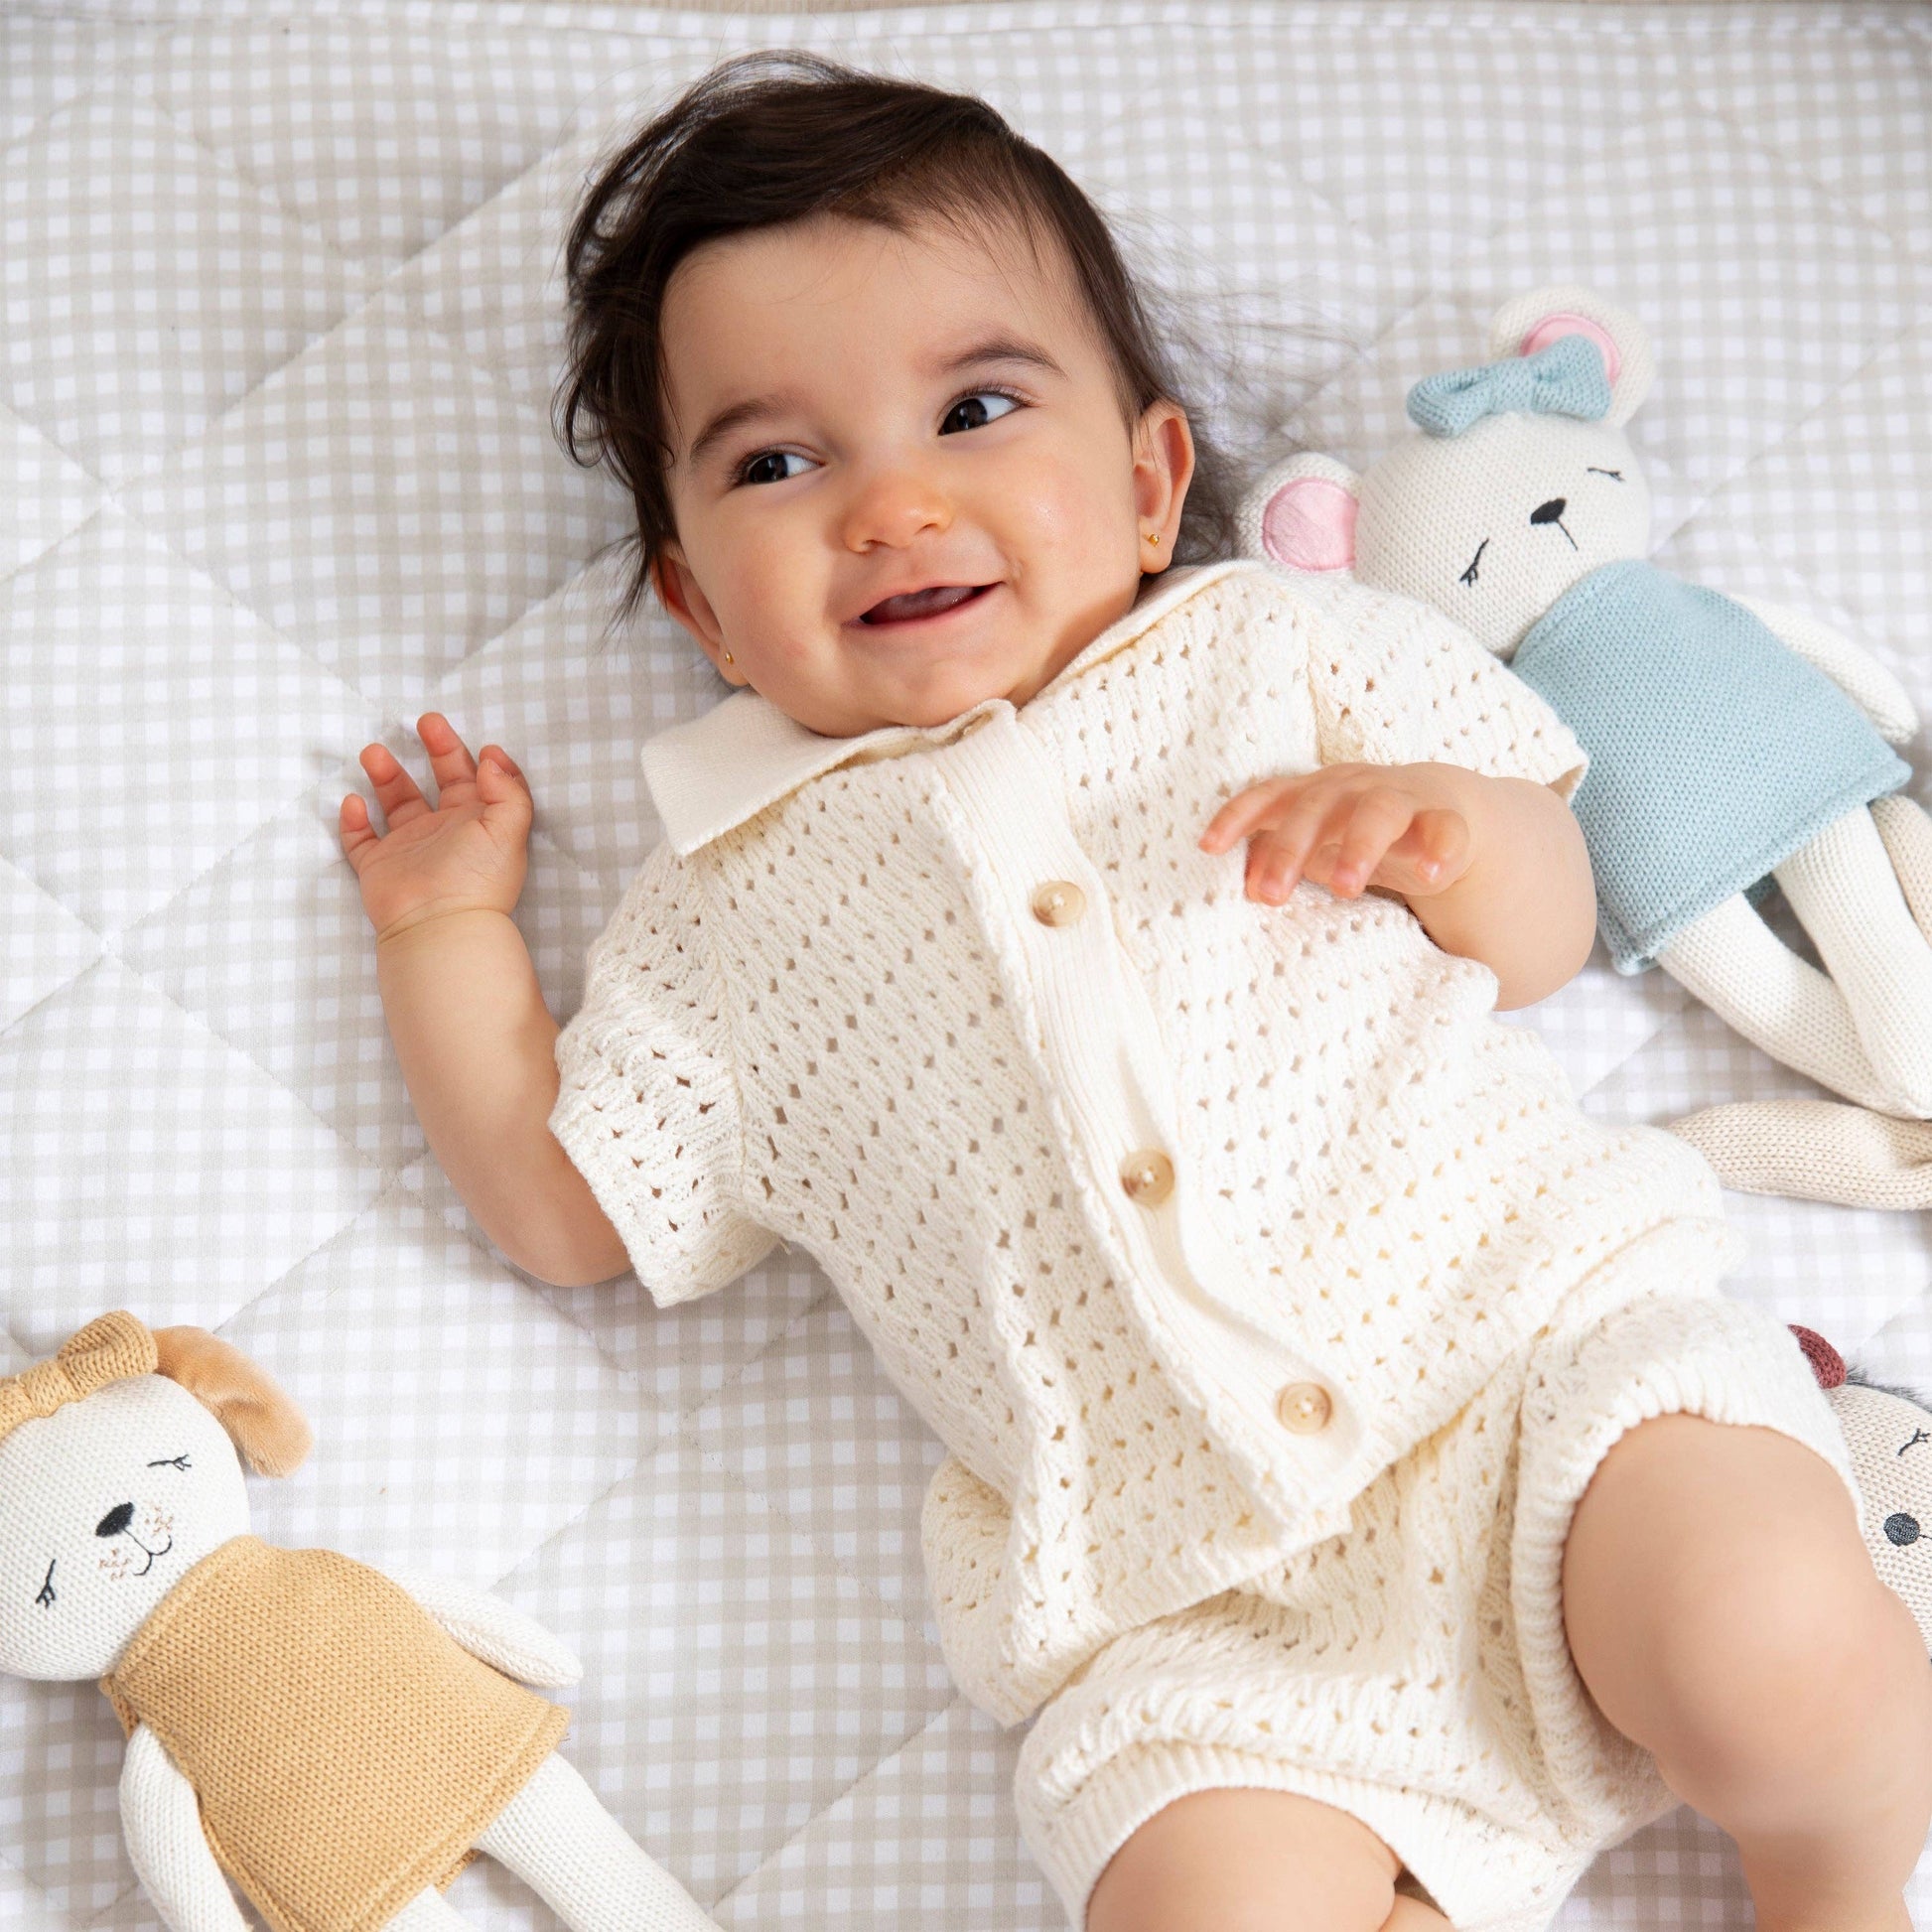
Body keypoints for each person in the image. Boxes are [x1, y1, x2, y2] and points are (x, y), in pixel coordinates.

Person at [338, 50, 1932, 1932]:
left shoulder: (1274, 645)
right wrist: (446, 935)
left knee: (1779, 1652)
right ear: (698, 603)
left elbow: (1544, 932)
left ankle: (1833, 1878)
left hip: (1539, 1382)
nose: (890, 504)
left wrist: (1446, 833)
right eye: (777, 461)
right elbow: (563, 1209)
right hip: (1187, 1621)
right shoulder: (721, 915)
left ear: (1150, 477)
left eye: (974, 406)